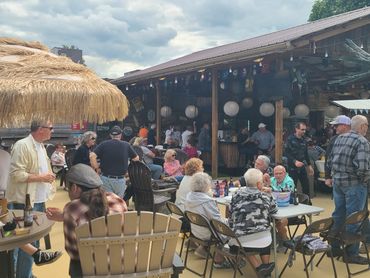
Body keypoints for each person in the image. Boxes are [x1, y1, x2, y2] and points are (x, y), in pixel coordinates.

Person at [46, 163, 128, 277]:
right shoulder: (117, 200)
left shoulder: (72, 209)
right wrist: (64, 216)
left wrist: (67, 217)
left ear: (74, 188)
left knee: (75, 263)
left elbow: (73, 252)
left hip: (91, 270)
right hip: (121, 265)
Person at [6, 118, 57, 278]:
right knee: (19, 240)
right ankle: (17, 273)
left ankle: (24, 273)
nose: (53, 130)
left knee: (31, 239)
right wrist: (42, 177)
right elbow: (16, 175)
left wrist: (47, 179)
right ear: (41, 129)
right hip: (25, 202)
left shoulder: (40, 146)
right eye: (51, 127)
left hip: (36, 200)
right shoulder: (23, 145)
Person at [326, 115, 370, 264]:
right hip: (354, 184)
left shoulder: (339, 138)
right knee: (354, 219)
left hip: (338, 183)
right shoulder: (362, 141)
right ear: (363, 126)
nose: (367, 128)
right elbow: (363, 168)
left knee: (338, 215)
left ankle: (334, 247)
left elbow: (330, 160)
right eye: (367, 125)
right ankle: (351, 253)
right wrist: (364, 181)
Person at [228, 168, 277, 277]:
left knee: (247, 236)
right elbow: (274, 210)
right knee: (263, 233)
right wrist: (269, 193)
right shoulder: (266, 196)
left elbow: (230, 213)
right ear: (259, 184)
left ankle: (262, 269)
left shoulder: (236, 195)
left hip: (239, 242)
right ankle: (263, 269)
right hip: (263, 240)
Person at [185, 172, 230, 268]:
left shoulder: (189, 196)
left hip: (195, 231)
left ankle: (201, 247)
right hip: (208, 234)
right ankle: (219, 260)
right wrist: (229, 221)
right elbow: (218, 222)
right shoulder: (207, 201)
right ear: (206, 185)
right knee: (232, 228)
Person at [90, 126, 139, 198]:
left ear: (110, 135)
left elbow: (92, 156)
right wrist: (128, 166)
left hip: (106, 178)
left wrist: (97, 168)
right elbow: (136, 158)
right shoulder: (126, 145)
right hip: (120, 179)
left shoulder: (104, 144)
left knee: (107, 203)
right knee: (118, 204)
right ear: (121, 135)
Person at [284, 122, 314, 196]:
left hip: (302, 166)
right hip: (292, 167)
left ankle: (307, 202)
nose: (304, 131)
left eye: (305, 130)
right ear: (296, 129)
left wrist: (309, 166)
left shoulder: (304, 140)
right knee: (292, 187)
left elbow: (306, 154)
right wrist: (295, 162)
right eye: (302, 129)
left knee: (306, 186)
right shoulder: (290, 139)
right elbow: (286, 153)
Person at [324, 115, 351, 188]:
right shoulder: (333, 139)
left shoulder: (356, 139)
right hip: (337, 179)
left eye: (336, 125)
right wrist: (327, 177)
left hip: (352, 180)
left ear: (344, 126)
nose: (334, 127)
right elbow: (328, 158)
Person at [270, 165, 295, 243]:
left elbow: (283, 195)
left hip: (288, 209)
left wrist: (270, 187)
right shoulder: (272, 180)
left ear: (285, 173)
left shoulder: (289, 181)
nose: (278, 176)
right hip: (274, 208)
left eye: (280, 173)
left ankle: (284, 241)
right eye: (276, 174)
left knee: (279, 223)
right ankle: (275, 239)